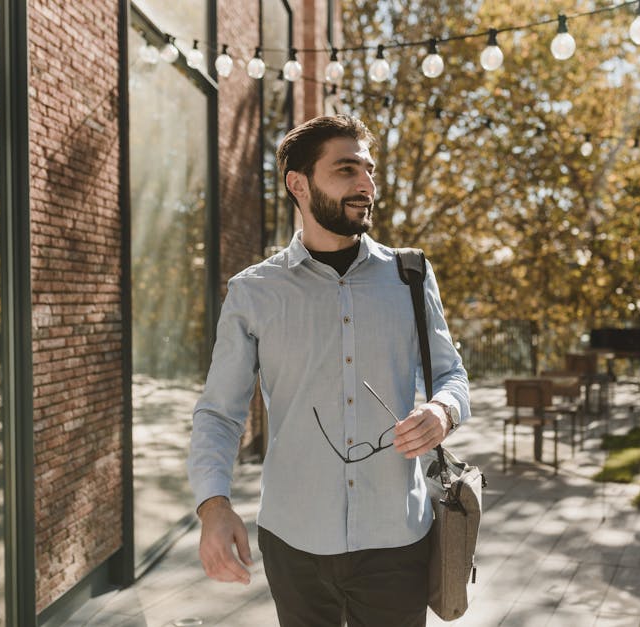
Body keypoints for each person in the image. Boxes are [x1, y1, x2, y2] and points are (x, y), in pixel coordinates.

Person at [187, 114, 470, 627]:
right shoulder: (253, 292)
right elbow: (219, 414)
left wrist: (442, 410)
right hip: (294, 543)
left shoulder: (410, 275)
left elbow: (453, 375)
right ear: (299, 184)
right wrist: (213, 505)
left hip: (398, 539)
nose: (367, 185)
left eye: (369, 170)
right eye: (346, 170)